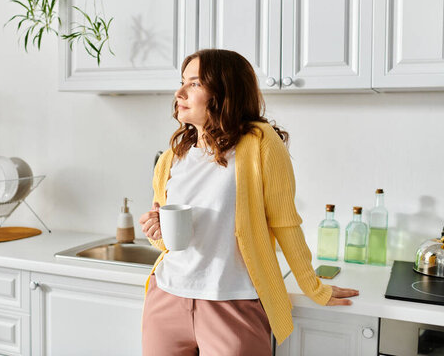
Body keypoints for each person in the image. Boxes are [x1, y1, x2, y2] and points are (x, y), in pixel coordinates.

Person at [139, 49, 359, 356]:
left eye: (194, 84)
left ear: (224, 92)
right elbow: (169, 242)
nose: (179, 93)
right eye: (181, 82)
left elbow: (286, 222)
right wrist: (157, 229)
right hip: (166, 298)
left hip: (233, 302)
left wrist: (313, 286)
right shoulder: (171, 159)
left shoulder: (260, 143)